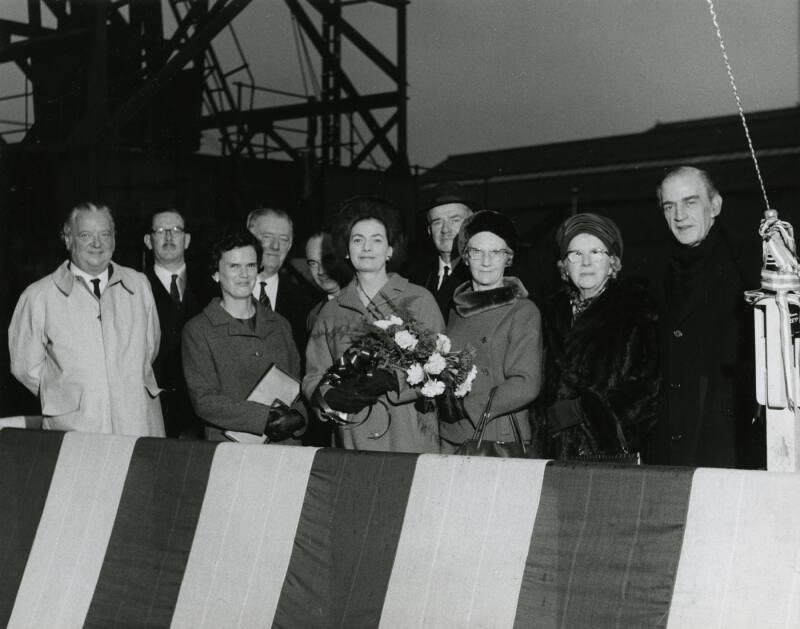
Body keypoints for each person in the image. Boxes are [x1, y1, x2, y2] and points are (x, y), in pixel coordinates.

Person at [8, 201, 164, 436]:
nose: (97, 244)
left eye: (105, 234)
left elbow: (150, 347)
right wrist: (65, 392)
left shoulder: (138, 285)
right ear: (68, 239)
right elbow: (24, 366)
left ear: (114, 238)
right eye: (85, 235)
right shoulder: (38, 295)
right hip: (75, 428)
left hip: (137, 422)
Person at [304, 196, 444, 453]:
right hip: (351, 437)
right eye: (358, 240)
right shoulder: (331, 310)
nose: (366, 248)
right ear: (346, 250)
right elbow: (314, 374)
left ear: (390, 249)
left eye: (377, 240)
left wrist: (394, 380)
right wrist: (327, 396)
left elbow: (438, 366)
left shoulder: (418, 299)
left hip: (408, 435)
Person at [650, 166, 760, 468]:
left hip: (728, 442)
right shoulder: (654, 273)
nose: (679, 215)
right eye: (669, 206)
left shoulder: (749, 268)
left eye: (690, 202)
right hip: (671, 442)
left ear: (715, 205)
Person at [538, 213, 660, 461]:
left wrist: (583, 412)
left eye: (596, 252)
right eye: (575, 254)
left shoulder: (635, 310)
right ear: (564, 265)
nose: (586, 263)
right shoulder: (550, 314)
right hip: (554, 452)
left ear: (612, 262)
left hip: (609, 453)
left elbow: (646, 390)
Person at [182, 230, 307, 443]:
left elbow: (297, 385)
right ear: (215, 274)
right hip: (232, 451)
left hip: (286, 448)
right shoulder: (198, 330)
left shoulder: (279, 324)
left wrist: (301, 418)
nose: (244, 274)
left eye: (250, 265)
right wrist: (263, 418)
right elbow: (204, 400)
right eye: (234, 266)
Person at [440, 210, 543, 453]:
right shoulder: (456, 310)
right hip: (451, 434)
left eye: (496, 252)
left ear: (508, 258)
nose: (486, 262)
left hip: (495, 435)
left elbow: (526, 383)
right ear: (465, 257)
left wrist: (467, 406)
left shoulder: (523, 311)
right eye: (477, 252)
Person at [143, 209, 203, 439]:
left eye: (176, 230)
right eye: (161, 230)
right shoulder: (136, 287)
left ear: (187, 240)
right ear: (149, 241)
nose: (169, 237)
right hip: (156, 407)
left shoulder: (210, 286)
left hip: (200, 408)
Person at [247, 207, 315, 354]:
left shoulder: (306, 302)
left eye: (284, 239)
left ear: (290, 245)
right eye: (267, 237)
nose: (275, 246)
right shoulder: (219, 293)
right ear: (249, 239)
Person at [409, 182, 474, 322]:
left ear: (471, 225)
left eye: (455, 220)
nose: (445, 229)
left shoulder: (482, 275)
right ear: (429, 230)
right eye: (437, 222)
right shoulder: (416, 278)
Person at [304, 230, 351, 333]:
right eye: (313, 264)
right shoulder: (313, 316)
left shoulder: (371, 302)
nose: (321, 271)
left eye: (327, 260)